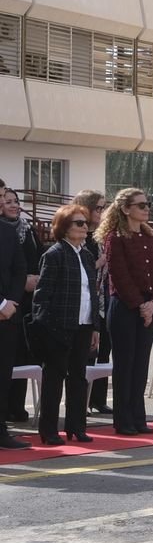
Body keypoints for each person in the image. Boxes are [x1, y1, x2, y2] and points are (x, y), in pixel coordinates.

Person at [32, 205, 100, 445]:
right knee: (54, 378)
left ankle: (77, 427)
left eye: (85, 223)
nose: (85, 227)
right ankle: (49, 431)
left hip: (83, 325)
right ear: (64, 228)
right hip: (58, 327)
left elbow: (93, 293)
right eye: (78, 223)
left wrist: (95, 327)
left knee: (79, 378)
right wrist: (48, 329)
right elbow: (42, 297)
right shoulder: (54, 254)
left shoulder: (87, 255)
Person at [100, 188, 153, 436]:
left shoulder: (150, 238)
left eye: (147, 204)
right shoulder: (115, 238)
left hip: (147, 306)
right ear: (126, 209)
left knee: (141, 365)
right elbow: (120, 276)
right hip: (126, 307)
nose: (146, 208)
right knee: (125, 365)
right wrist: (140, 305)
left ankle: (139, 417)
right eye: (140, 205)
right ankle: (123, 419)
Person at [0, 187, 42, 424]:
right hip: (6, 303)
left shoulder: (24, 230)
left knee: (18, 360)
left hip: (20, 306)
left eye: (16, 201)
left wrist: (16, 297)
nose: (14, 205)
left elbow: (26, 263)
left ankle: (13, 411)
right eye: (7, 201)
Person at [72, 191, 112, 416]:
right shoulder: (78, 233)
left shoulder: (101, 234)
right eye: (98, 208)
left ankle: (98, 399)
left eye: (103, 208)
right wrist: (102, 260)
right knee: (87, 354)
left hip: (103, 301)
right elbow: (84, 268)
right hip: (85, 304)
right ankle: (81, 402)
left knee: (104, 351)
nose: (101, 212)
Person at [0, 186, 29, 449]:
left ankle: (1, 431)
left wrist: (11, 302)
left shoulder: (8, 233)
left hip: (8, 317)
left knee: (3, 375)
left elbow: (20, 270)